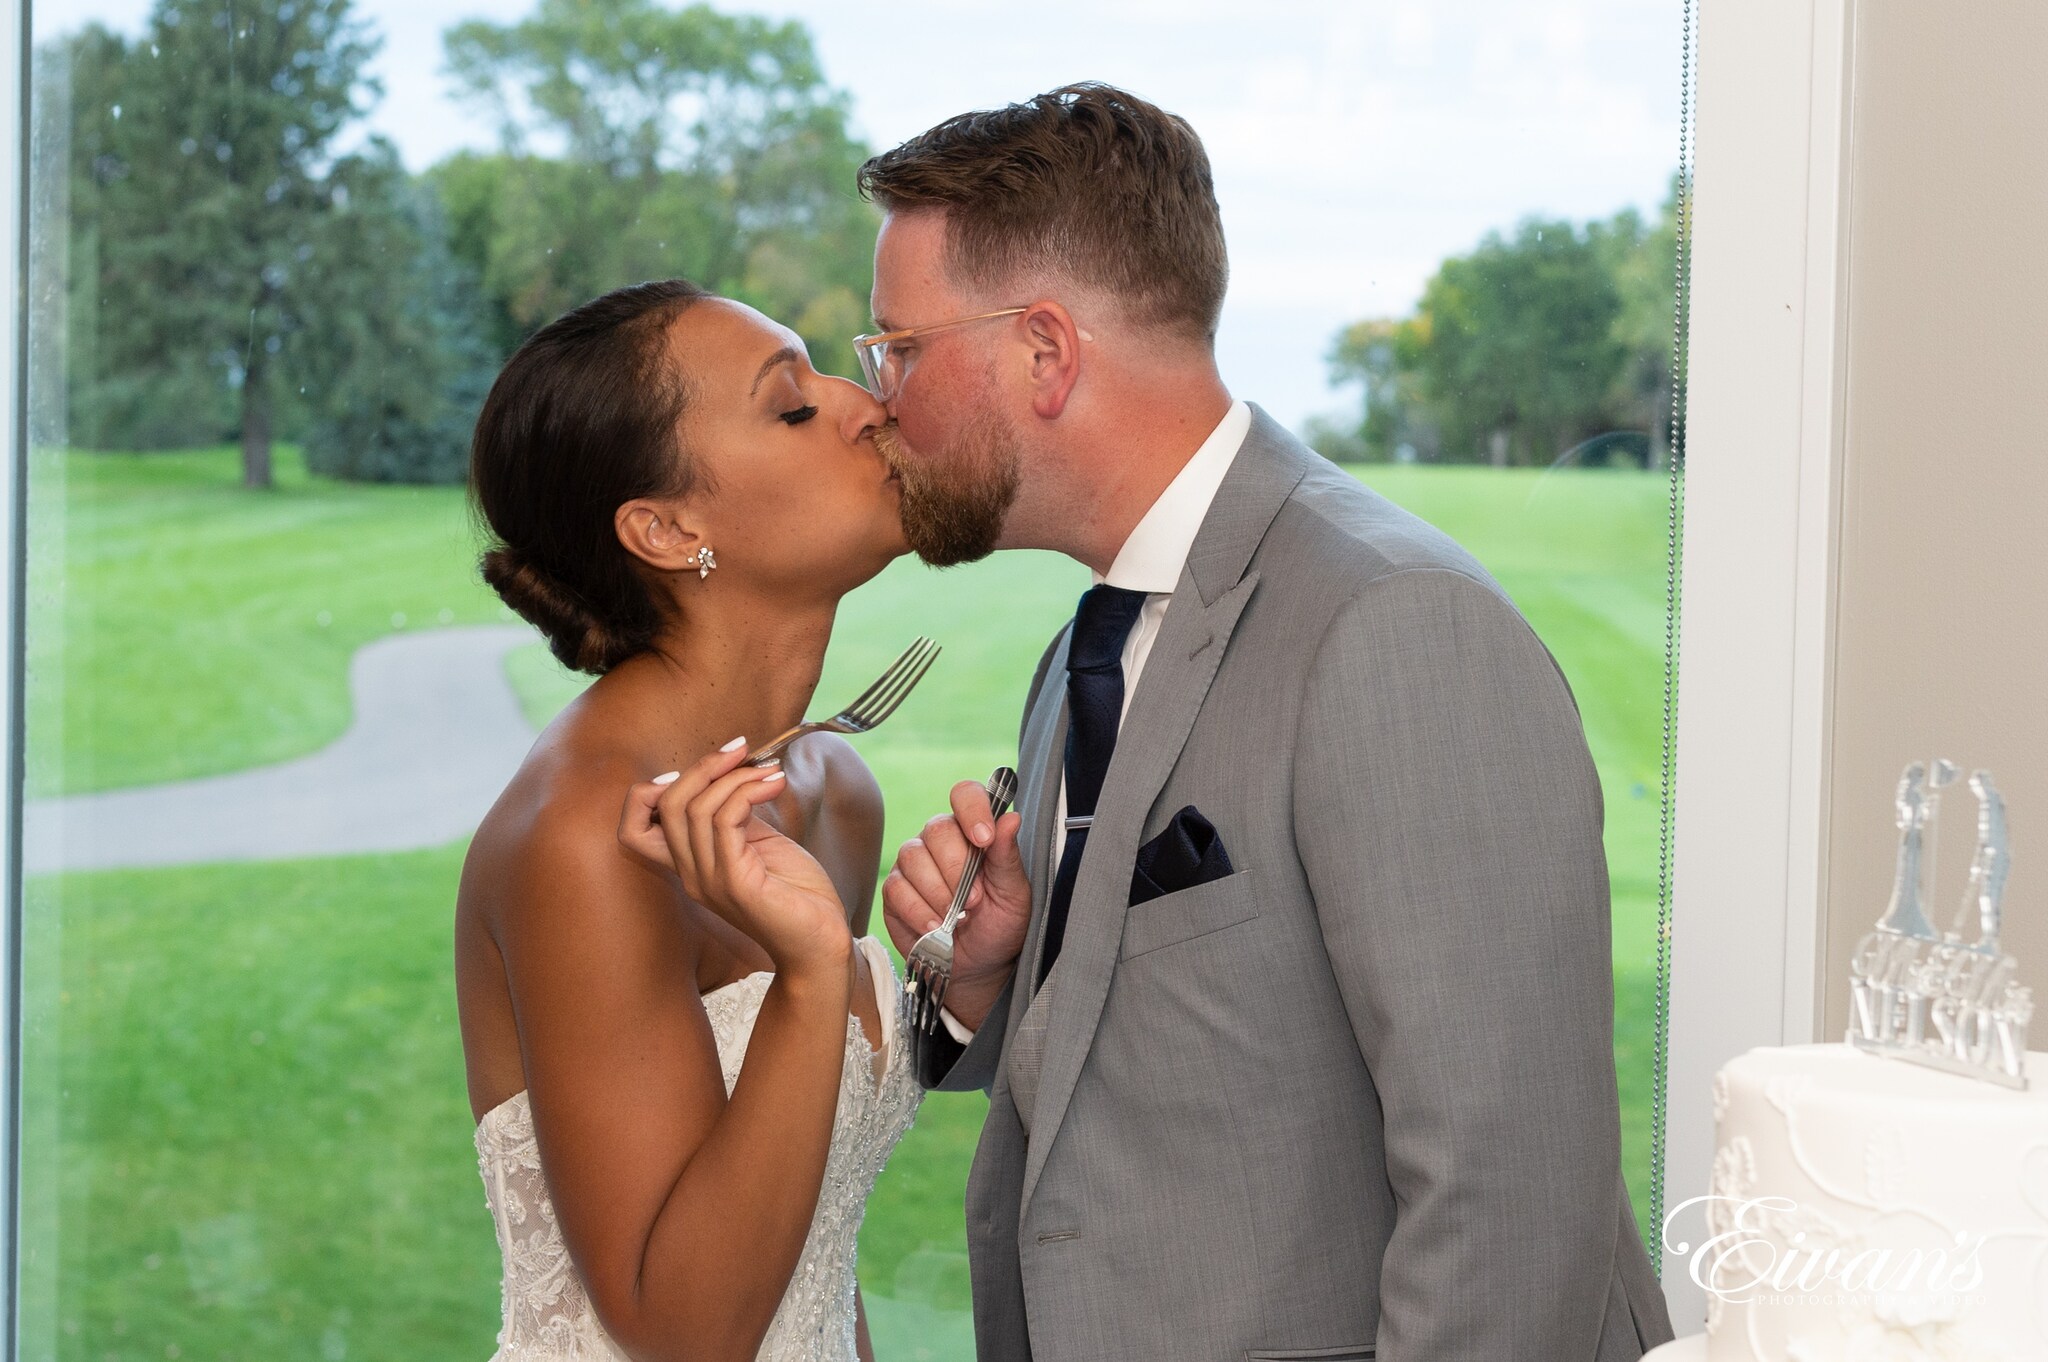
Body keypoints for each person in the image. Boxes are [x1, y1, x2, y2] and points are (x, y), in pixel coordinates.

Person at [871, 84, 1679, 1361]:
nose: (879, 400)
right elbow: (1183, 1066)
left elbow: (1509, 1195)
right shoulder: (1083, 650)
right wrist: (982, 988)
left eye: (899, 350)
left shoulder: (1398, 626)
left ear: (1042, 350)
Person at [454, 279, 921, 1362]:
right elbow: (683, 1334)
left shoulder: (831, 791)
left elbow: (808, 1246)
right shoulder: (584, 839)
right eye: (791, 406)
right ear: (665, 529)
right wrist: (813, 977)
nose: (867, 405)